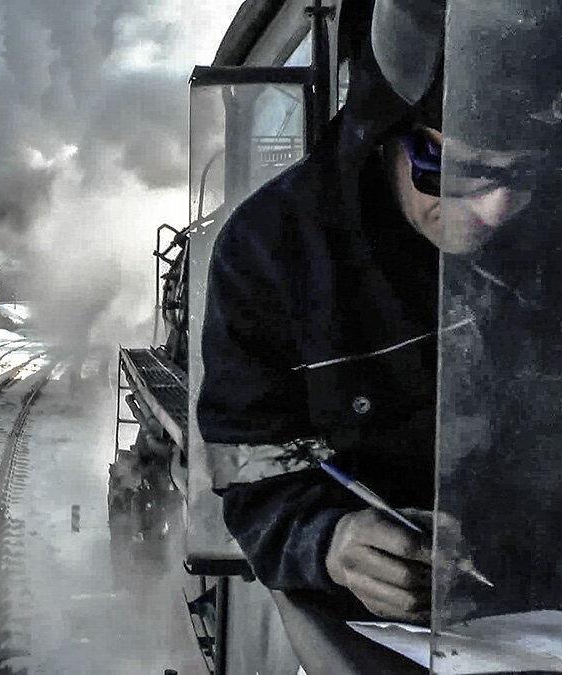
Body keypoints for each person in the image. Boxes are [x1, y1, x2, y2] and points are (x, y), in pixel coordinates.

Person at [195, 0, 482, 624]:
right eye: (451, 172)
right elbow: (251, 471)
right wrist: (329, 540)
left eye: (523, 177)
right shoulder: (270, 250)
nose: (493, 212)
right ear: (383, 129)